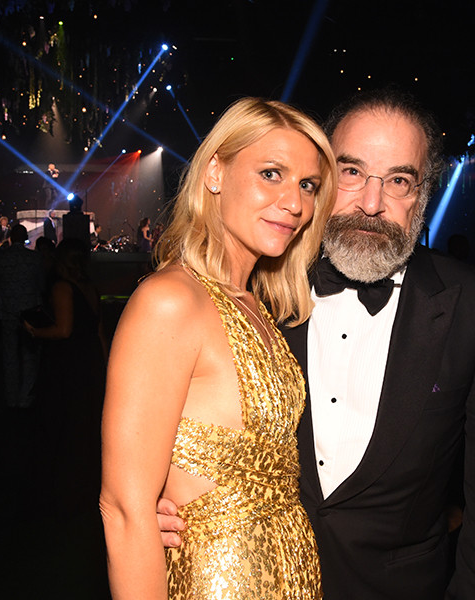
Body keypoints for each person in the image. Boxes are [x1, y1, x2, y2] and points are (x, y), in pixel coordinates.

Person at [158, 89, 475, 599]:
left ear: (422, 196)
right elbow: (180, 422)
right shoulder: (256, 286)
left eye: (399, 180)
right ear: (324, 179)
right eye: (352, 173)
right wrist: (165, 498)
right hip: (258, 580)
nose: (371, 204)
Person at [100, 97, 337, 600]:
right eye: (272, 173)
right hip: (218, 584)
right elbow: (124, 508)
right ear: (214, 173)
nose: (294, 202)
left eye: (308, 185)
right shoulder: (170, 301)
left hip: (292, 577)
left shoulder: (258, 306)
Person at [24, 238, 107, 517]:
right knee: (86, 424)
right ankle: (86, 487)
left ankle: (63, 492)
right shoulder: (90, 287)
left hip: (67, 363)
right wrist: (104, 365)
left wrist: (34, 331)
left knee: (61, 423)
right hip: (89, 360)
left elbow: (63, 330)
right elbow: (98, 331)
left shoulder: (62, 287)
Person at [0, 224, 45, 408]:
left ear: (11, 237)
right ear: (26, 237)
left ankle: (11, 398)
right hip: (30, 313)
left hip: (7, 312)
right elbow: (41, 286)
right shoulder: (35, 258)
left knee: (10, 355)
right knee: (29, 355)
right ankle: (25, 398)